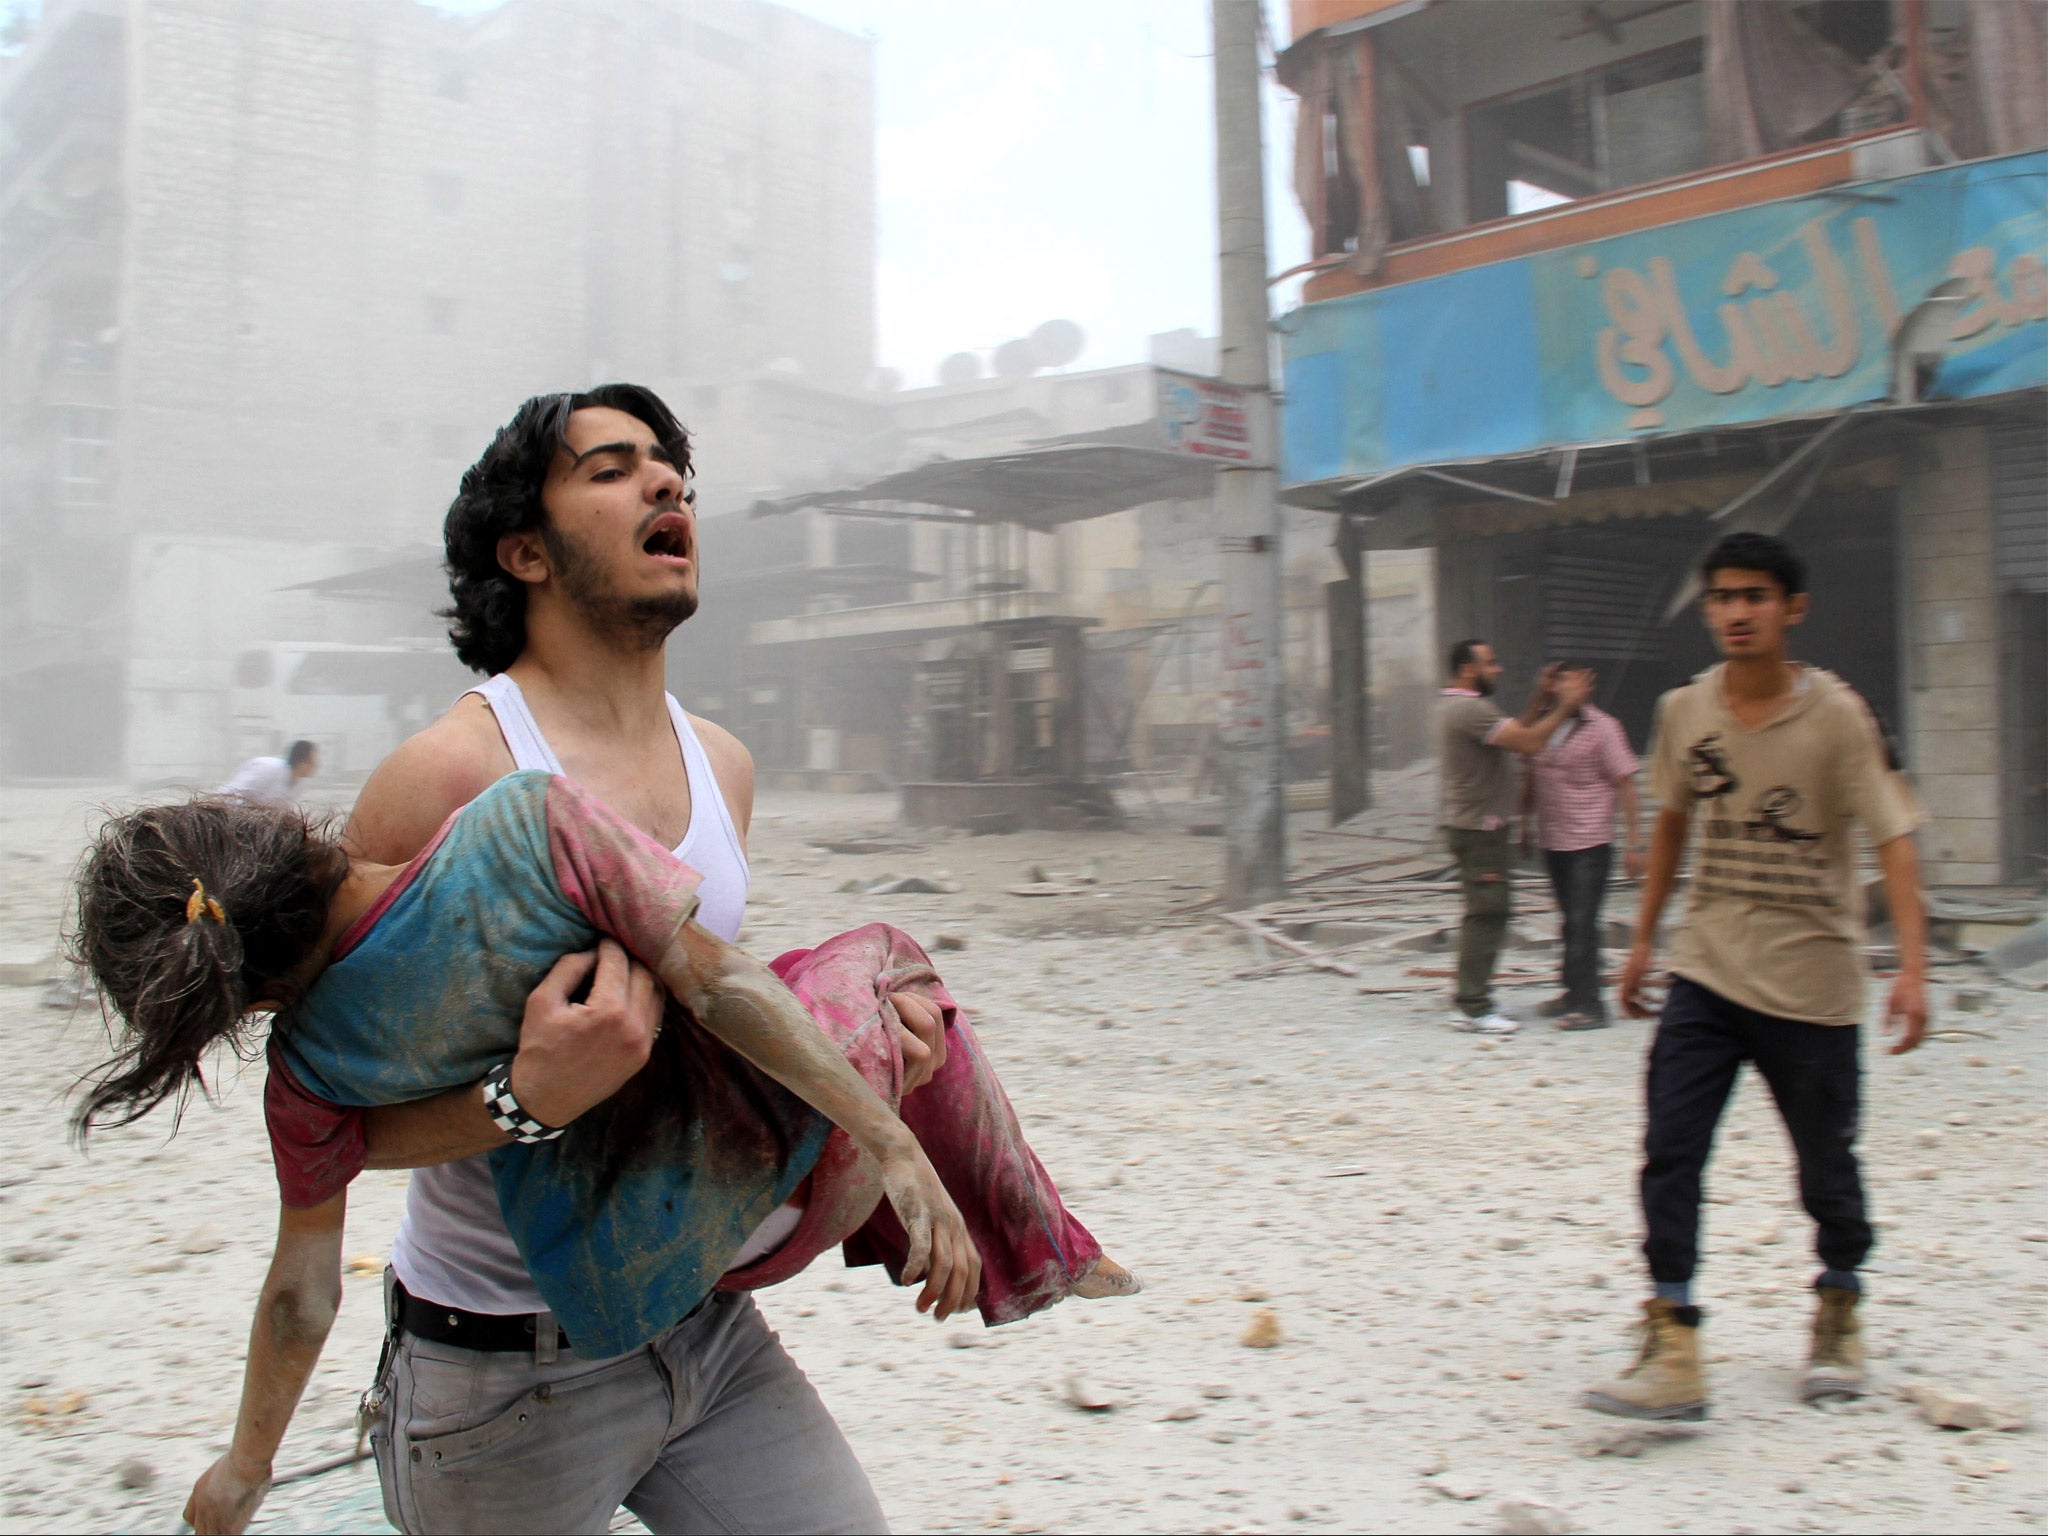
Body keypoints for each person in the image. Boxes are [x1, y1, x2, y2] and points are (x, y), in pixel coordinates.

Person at [177, 385, 963, 1534]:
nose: (665, 486)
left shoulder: (725, 765)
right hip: (498, 1376)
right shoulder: (448, 776)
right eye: (611, 468)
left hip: (700, 1323)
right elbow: (327, 1123)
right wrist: (523, 1097)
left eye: (672, 471)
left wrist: (874, 1065)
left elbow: (706, 1024)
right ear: (524, 551)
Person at [70, 771, 1137, 1535]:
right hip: (733, 1241)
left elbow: (303, 1291)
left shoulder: (303, 1071)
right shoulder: (523, 826)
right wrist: (896, 1150)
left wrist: (244, 1469)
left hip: (612, 1316)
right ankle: (1033, 1249)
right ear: (277, 830)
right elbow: (719, 984)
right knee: (874, 963)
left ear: (241, 992)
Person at [1585, 532, 1928, 1422]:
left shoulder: (1841, 718)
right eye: (1722, 597)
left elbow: (1893, 838)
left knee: (1825, 1164)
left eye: (1755, 597)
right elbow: (1669, 826)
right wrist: (1642, 942)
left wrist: (1914, 970)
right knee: (1671, 1146)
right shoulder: (1684, 711)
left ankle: (1840, 1304)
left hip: (1814, 984)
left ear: (1791, 609)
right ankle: (1673, 1337)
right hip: (1707, 969)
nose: (1736, 612)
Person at [1436, 642, 1593, 1034]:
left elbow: (1516, 733)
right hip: (1479, 828)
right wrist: (1564, 706)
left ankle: (1473, 997)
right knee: (1488, 913)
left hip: (1475, 826)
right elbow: (1530, 742)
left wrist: (1541, 698)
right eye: (1491, 663)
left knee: (1486, 911)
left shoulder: (1464, 708)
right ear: (1468, 670)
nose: (1499, 669)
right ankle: (1472, 1006)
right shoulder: (1470, 709)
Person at [1520, 669, 1643, 1030]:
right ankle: (1571, 993)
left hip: (1590, 842)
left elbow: (1626, 783)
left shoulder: (1604, 728)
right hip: (1553, 840)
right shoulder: (1543, 727)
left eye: (1573, 681)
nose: (1566, 688)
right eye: (1559, 681)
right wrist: (1524, 824)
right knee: (1568, 922)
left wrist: (1634, 841)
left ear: (1588, 685)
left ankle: (1591, 1006)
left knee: (1582, 922)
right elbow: (1528, 774)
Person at [219, 739, 318, 807]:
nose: (316, 766)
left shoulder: (299, 784)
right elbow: (232, 794)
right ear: (301, 762)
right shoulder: (268, 769)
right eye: (312, 762)